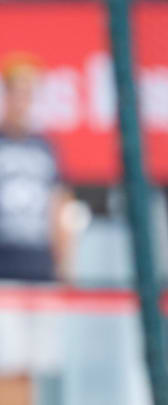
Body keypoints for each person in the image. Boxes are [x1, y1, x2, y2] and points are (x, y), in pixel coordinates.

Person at [0, 53, 74, 405]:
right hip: (5, 271)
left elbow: (58, 205)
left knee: (37, 366)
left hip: (40, 270)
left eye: (29, 93)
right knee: (8, 364)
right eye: (16, 92)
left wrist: (64, 260)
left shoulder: (46, 147)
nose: (22, 101)